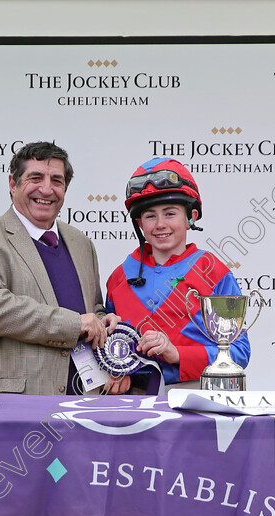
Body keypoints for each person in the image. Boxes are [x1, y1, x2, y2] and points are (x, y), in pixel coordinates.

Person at [0, 141, 120, 395]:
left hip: (85, 401)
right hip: (14, 405)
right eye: (35, 177)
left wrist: (103, 322)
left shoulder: (81, 243)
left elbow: (91, 311)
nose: (47, 188)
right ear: (13, 183)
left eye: (57, 180)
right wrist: (74, 323)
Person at [105, 158, 251, 394]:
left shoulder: (214, 272)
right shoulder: (119, 277)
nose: (160, 224)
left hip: (198, 397)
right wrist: (113, 371)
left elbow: (239, 352)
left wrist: (178, 355)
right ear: (139, 223)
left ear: (191, 217)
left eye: (170, 213)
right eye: (150, 216)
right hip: (134, 403)